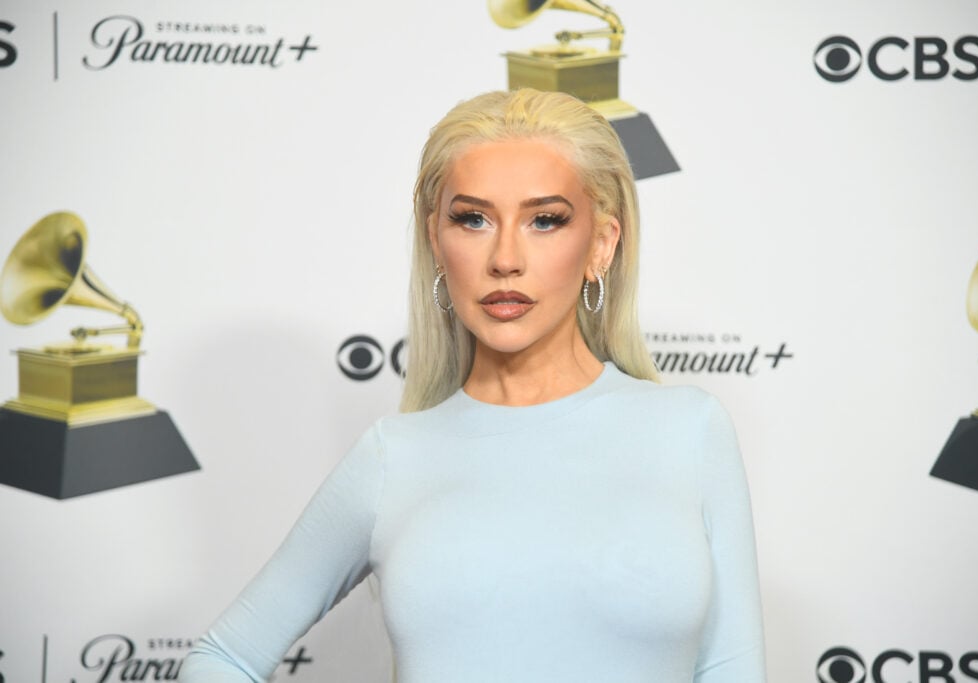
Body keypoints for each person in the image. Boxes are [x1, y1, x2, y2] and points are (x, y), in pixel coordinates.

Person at [180, 88, 766, 683]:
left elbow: (732, 670)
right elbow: (221, 659)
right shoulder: (393, 456)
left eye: (545, 220)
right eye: (473, 219)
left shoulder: (690, 430)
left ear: (602, 244)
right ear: (437, 240)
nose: (505, 258)